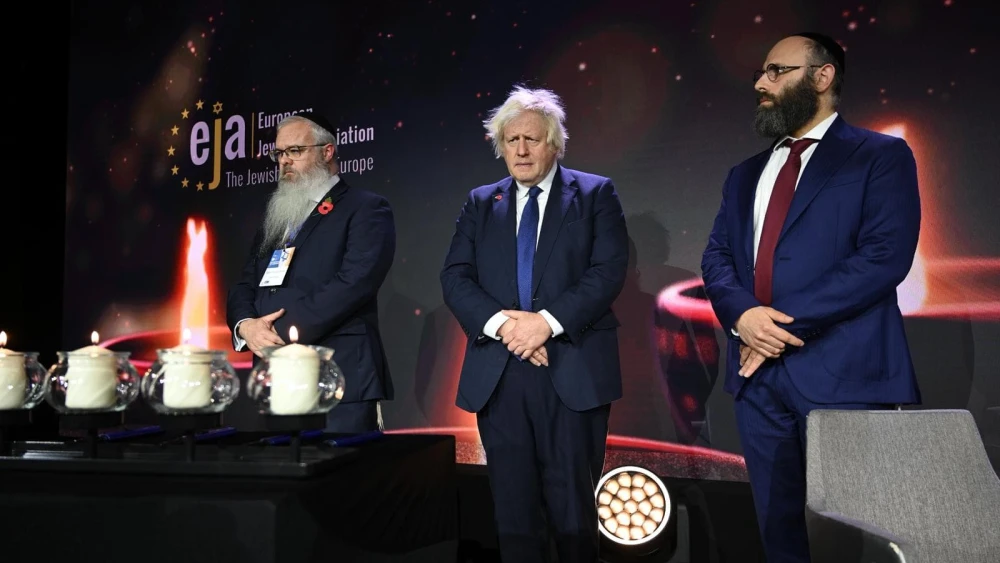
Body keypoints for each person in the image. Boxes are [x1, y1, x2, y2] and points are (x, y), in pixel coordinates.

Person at [701, 32, 921, 562]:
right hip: (758, 377)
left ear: (823, 77)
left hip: (843, 369)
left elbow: (883, 257)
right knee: (777, 530)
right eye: (761, 72)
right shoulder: (744, 173)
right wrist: (744, 316)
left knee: (842, 533)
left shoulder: (879, 156)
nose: (760, 83)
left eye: (777, 71)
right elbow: (717, 259)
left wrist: (776, 326)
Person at [441, 85, 629, 563]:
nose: (520, 150)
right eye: (510, 140)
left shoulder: (594, 194)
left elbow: (606, 272)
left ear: (555, 143)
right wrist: (509, 329)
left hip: (571, 371)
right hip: (500, 376)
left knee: (572, 518)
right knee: (514, 515)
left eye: (532, 139)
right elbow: (455, 277)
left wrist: (545, 324)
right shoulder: (481, 202)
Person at [226, 112, 395, 433]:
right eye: (279, 153)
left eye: (295, 151)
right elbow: (246, 282)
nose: (284, 161)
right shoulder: (276, 217)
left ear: (327, 151)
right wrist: (246, 327)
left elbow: (355, 282)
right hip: (275, 377)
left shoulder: (365, 207)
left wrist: (275, 333)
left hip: (337, 375)